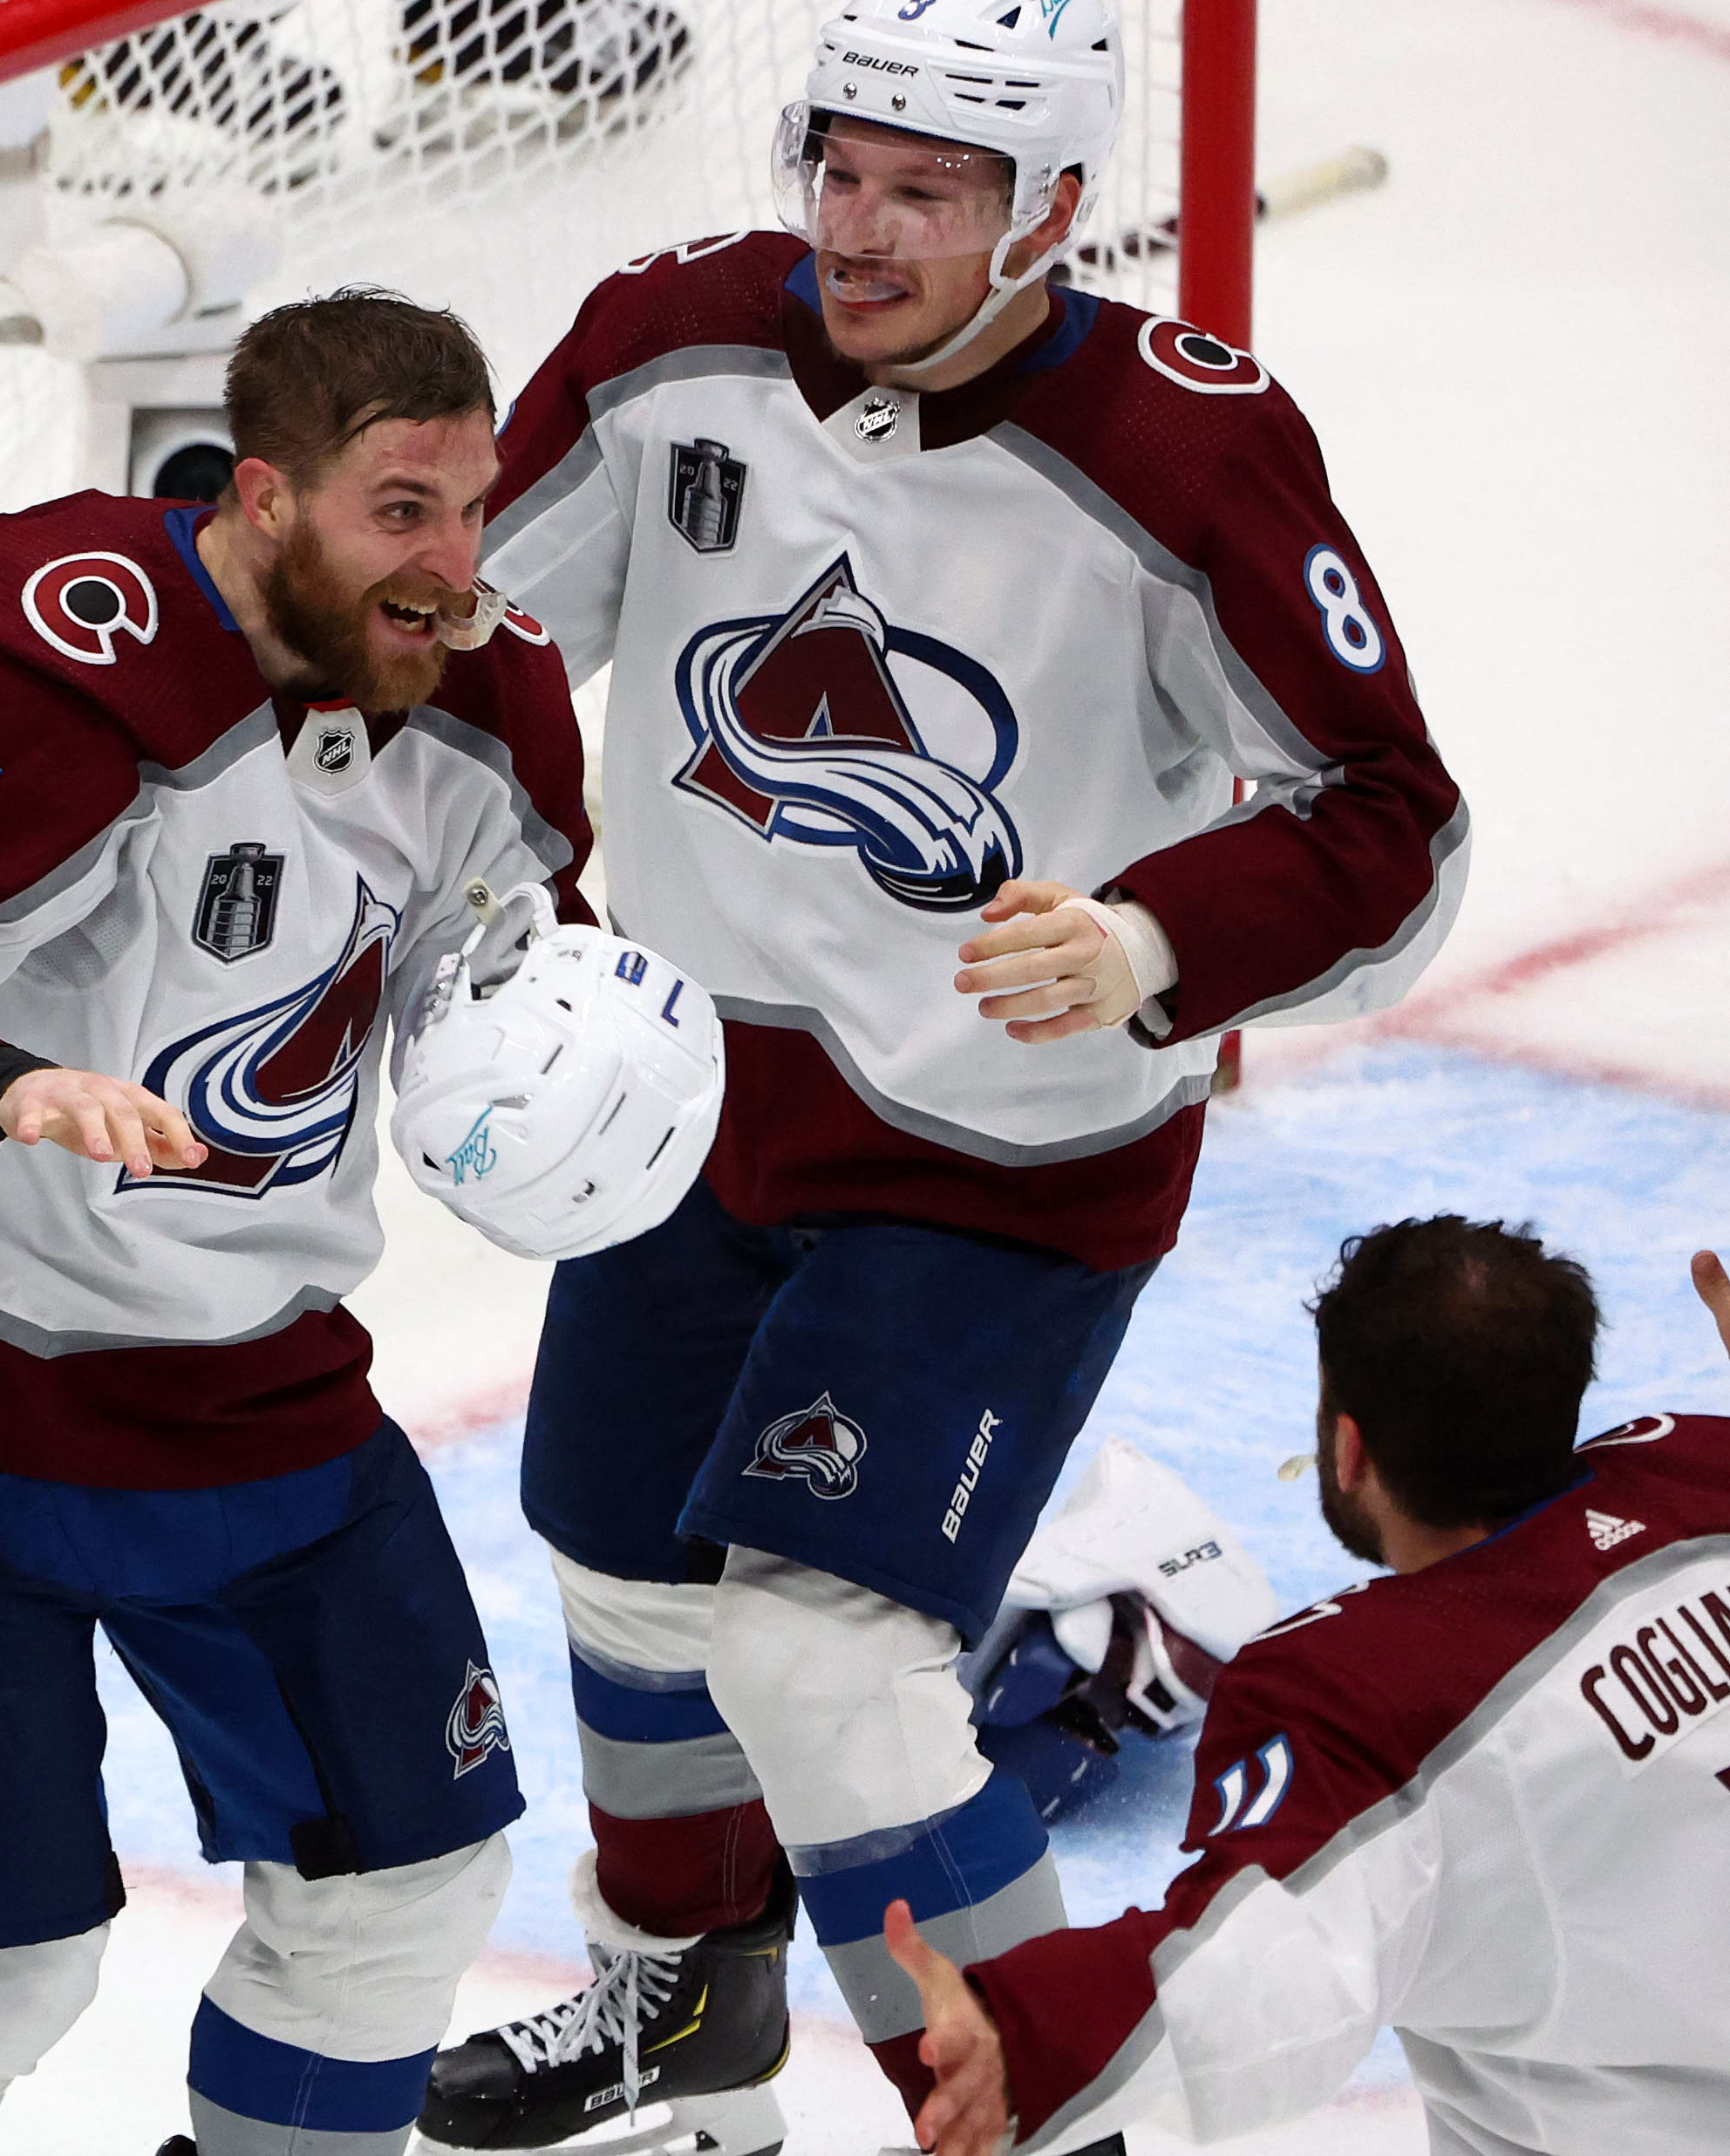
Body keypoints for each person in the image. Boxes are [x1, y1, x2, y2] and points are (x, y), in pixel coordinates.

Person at [430, 0, 1473, 2144]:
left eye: (929, 190)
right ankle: (677, 2013)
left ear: (1056, 212)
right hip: (691, 1113)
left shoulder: (1186, 452)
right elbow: (461, 631)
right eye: (841, 167)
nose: (861, 228)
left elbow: (1389, 823)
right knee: (621, 1568)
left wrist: (1153, 942)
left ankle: (1040, 2109)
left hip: (998, 1174)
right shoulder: (673, 344)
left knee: (823, 1658)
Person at [0, 290, 664, 2156]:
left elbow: (493, 975)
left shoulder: (484, 698)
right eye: (400, 513)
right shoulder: (58, 653)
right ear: (262, 498)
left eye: (475, 510)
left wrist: (568, 1068)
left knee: (403, 1891)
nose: (453, 569)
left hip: (265, 1412)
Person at [888, 1218, 1730, 2155]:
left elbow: (1269, 1963)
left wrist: (1028, 2037)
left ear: (1348, 1450)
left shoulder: (1366, 1695)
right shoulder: (1705, 1472)